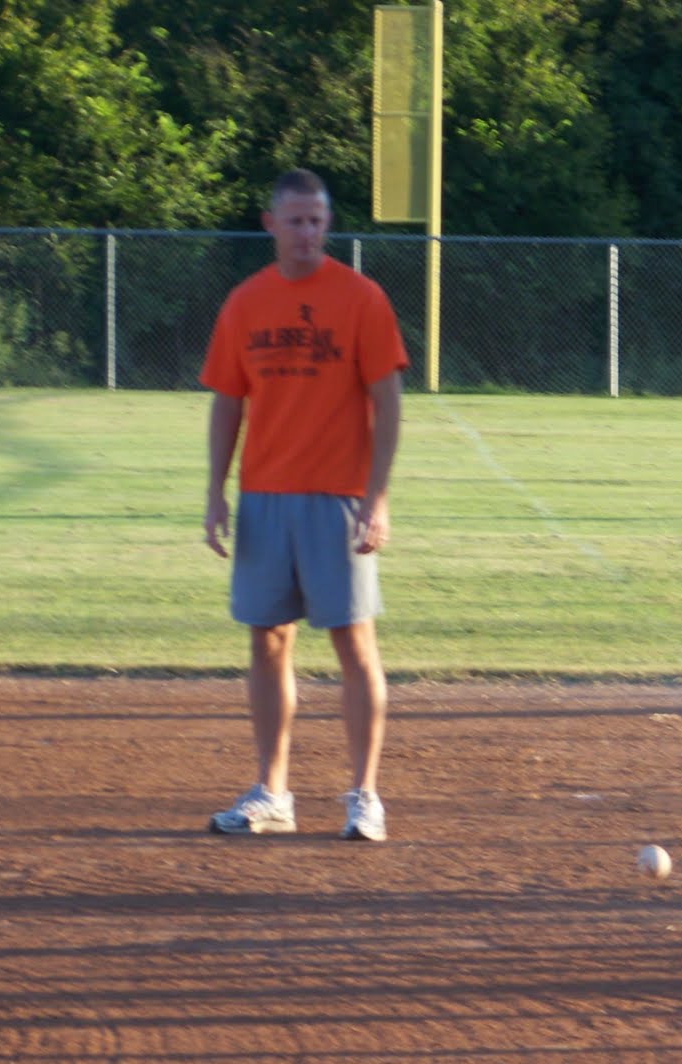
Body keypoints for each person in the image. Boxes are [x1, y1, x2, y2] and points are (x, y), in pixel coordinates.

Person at [199, 168, 408, 842]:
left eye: (317, 220)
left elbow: (388, 403)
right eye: (295, 220)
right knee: (268, 641)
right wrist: (215, 491)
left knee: (353, 642)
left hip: (338, 498)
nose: (308, 232)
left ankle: (365, 797)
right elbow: (227, 401)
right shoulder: (244, 303)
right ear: (271, 225)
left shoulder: (361, 299)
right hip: (265, 495)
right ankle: (273, 792)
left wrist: (377, 499)